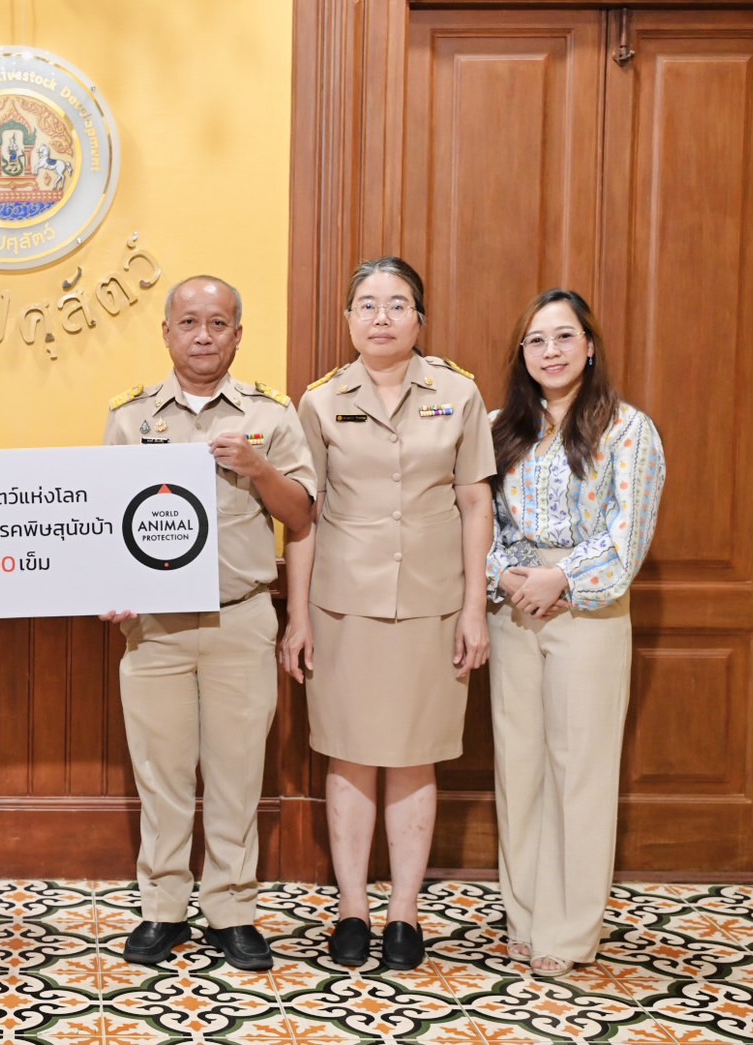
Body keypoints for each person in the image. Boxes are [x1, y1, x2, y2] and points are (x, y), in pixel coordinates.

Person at [282, 256, 494, 971]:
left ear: (419, 319)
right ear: (348, 319)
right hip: (343, 605)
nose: (381, 317)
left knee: (413, 755)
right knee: (348, 754)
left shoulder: (458, 393)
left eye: (397, 304)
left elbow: (475, 503)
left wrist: (474, 608)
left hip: (433, 604)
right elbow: (303, 516)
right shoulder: (319, 402)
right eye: (367, 304)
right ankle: (352, 908)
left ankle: (404, 912)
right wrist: (297, 617)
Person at [101, 275, 315, 972]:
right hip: (154, 628)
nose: (202, 335)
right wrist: (112, 589)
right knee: (161, 774)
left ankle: (231, 910)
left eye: (217, 323)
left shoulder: (270, 415)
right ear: (166, 332)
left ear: (237, 335)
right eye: (188, 322)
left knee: (236, 774)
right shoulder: (131, 417)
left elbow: (301, 515)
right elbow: (104, 520)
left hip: (240, 619)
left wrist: (258, 467)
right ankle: (163, 908)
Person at [486, 290, 665, 977]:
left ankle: (568, 931)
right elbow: (476, 520)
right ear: (522, 354)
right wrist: (506, 577)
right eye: (536, 340)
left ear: (589, 347)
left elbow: (627, 535)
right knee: (519, 767)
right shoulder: (500, 428)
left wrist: (559, 578)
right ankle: (524, 918)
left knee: (578, 771)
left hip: (586, 609)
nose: (550, 351)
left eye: (564, 337)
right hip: (512, 607)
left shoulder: (627, 429)